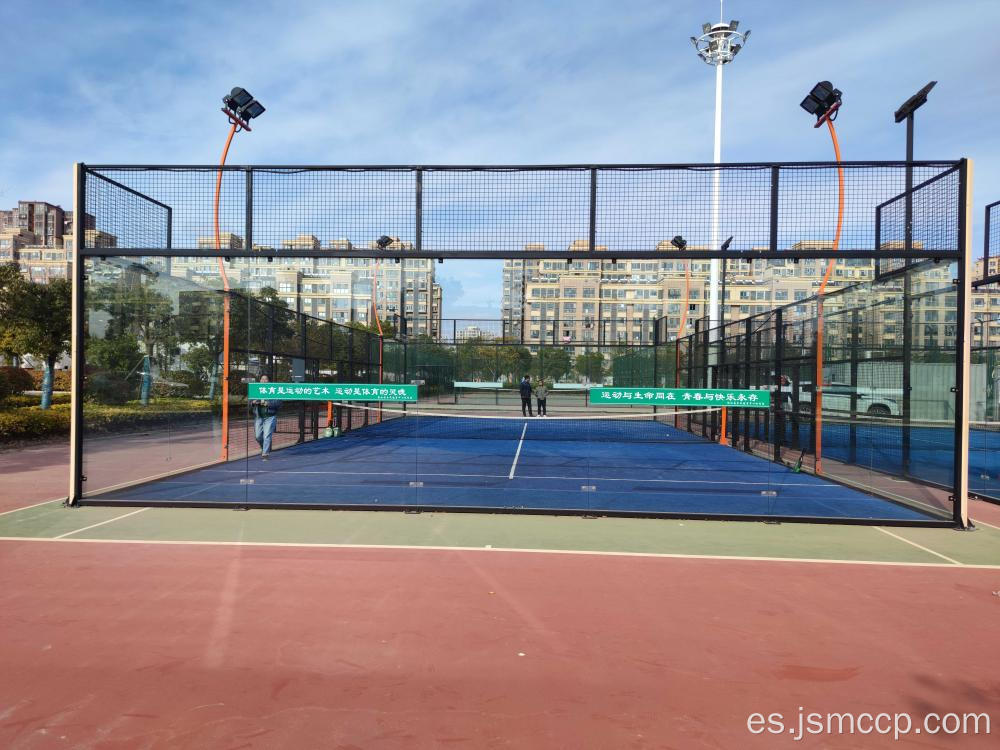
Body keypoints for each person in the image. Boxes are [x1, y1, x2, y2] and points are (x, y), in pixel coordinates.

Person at [251, 375, 281, 460]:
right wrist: (253, 402)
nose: (264, 381)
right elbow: (250, 401)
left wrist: (268, 403)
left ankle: (265, 454)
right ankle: (265, 447)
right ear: (260, 380)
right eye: (262, 379)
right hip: (258, 417)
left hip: (270, 416)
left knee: (267, 435)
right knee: (258, 436)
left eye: (266, 379)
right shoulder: (256, 389)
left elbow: (279, 403)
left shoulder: (274, 390)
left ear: (269, 381)